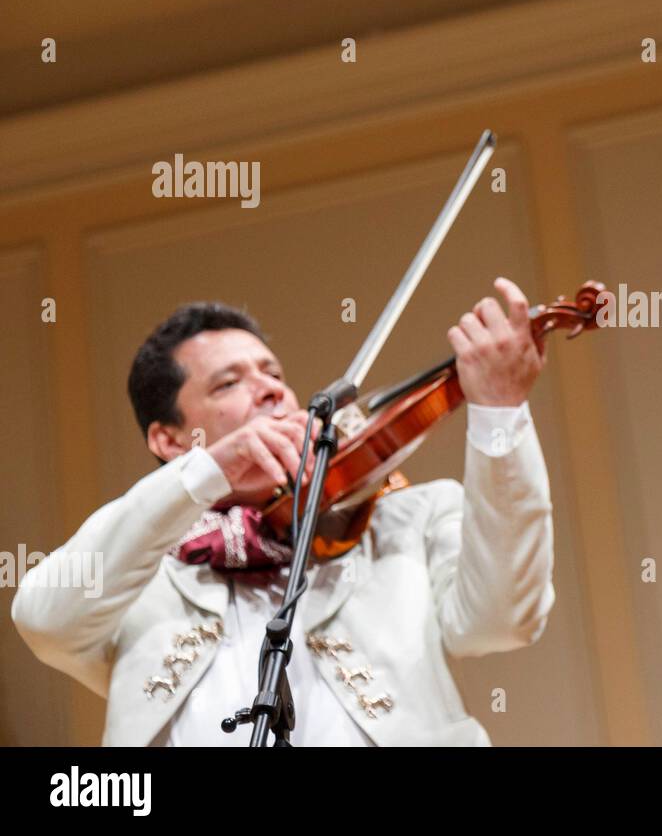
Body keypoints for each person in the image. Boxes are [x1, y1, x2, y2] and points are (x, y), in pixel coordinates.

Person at [12, 277, 555, 746]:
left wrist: (499, 412)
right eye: (229, 383)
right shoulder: (139, 562)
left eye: (273, 373)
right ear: (171, 440)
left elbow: (504, 620)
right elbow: (45, 621)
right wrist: (206, 476)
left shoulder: (405, 518)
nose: (270, 389)